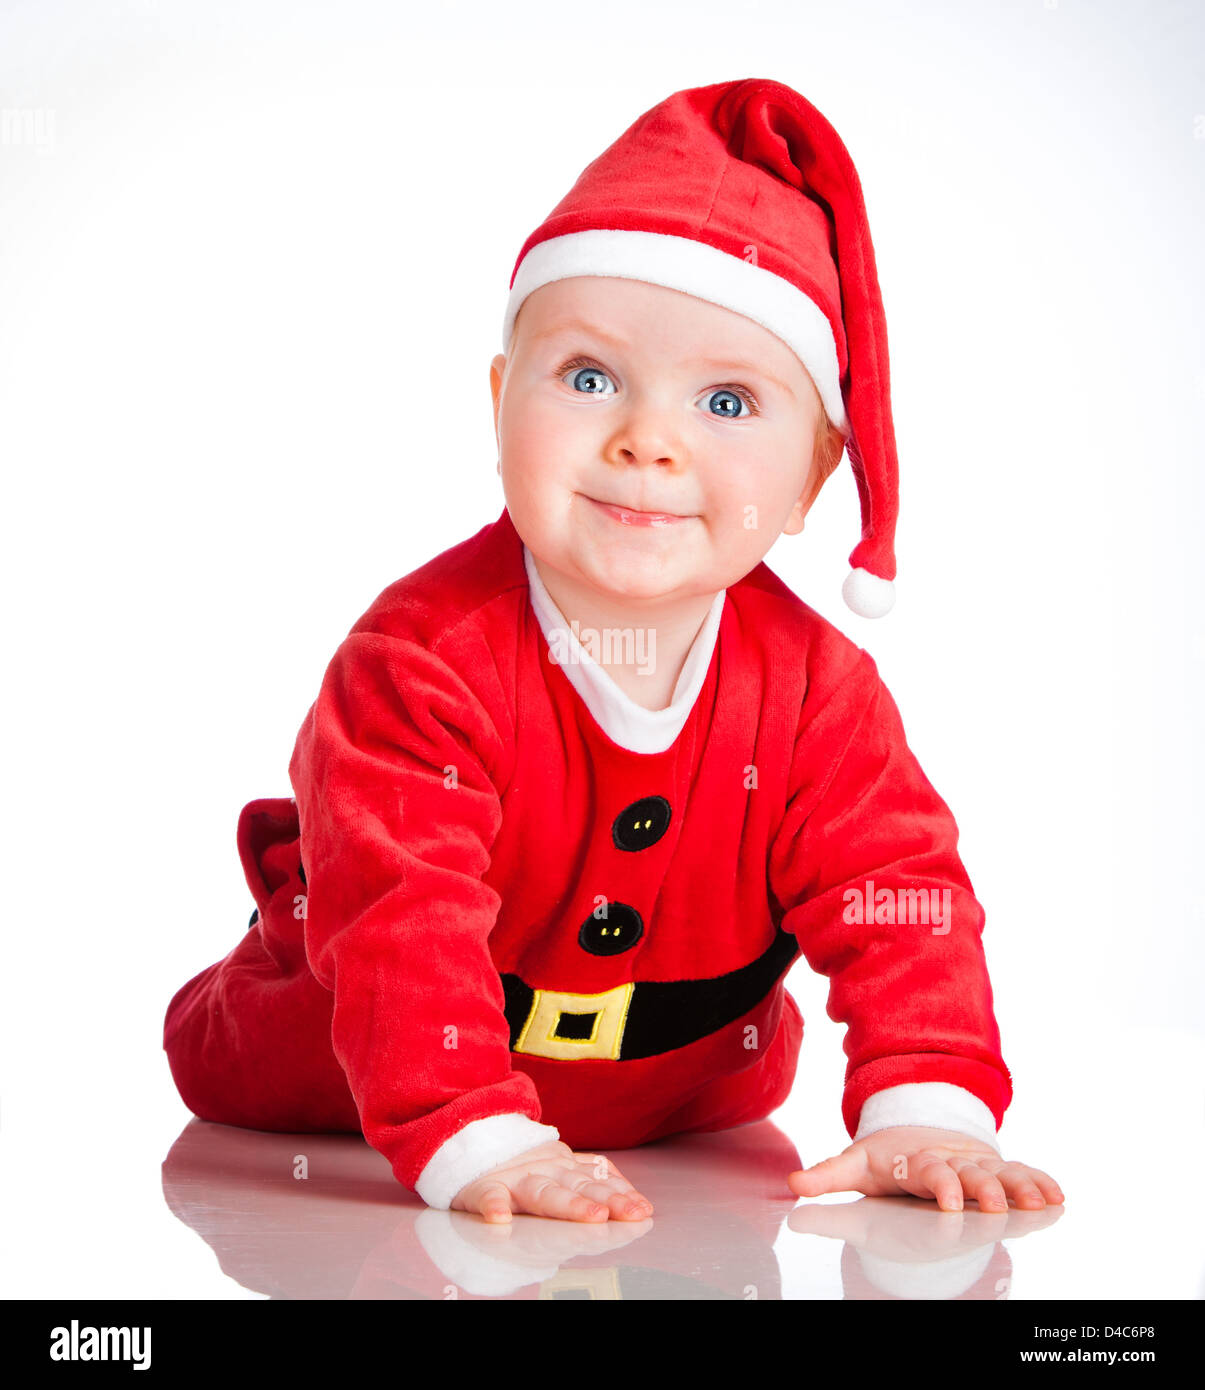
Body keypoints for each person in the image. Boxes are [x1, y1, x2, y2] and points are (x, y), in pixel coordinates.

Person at [163, 77, 1064, 1225]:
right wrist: (474, 1133)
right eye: (588, 379)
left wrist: (925, 1104)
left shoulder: (817, 692)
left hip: (683, 1093)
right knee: (337, 974)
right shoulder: (421, 662)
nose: (647, 441)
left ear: (812, 480)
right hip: (334, 1078)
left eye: (728, 402)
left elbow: (895, 888)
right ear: (500, 405)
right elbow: (401, 913)